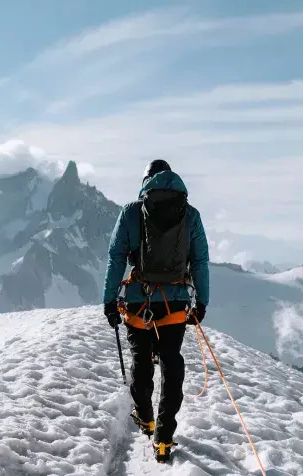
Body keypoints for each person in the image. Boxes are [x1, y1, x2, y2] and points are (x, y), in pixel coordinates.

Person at [103, 159, 210, 463]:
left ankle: (145, 417)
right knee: (171, 361)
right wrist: (202, 302)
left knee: (141, 358)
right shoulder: (190, 215)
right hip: (174, 303)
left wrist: (109, 300)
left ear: (146, 181)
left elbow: (116, 258)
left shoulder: (131, 212)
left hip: (139, 299)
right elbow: (200, 261)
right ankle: (164, 436)